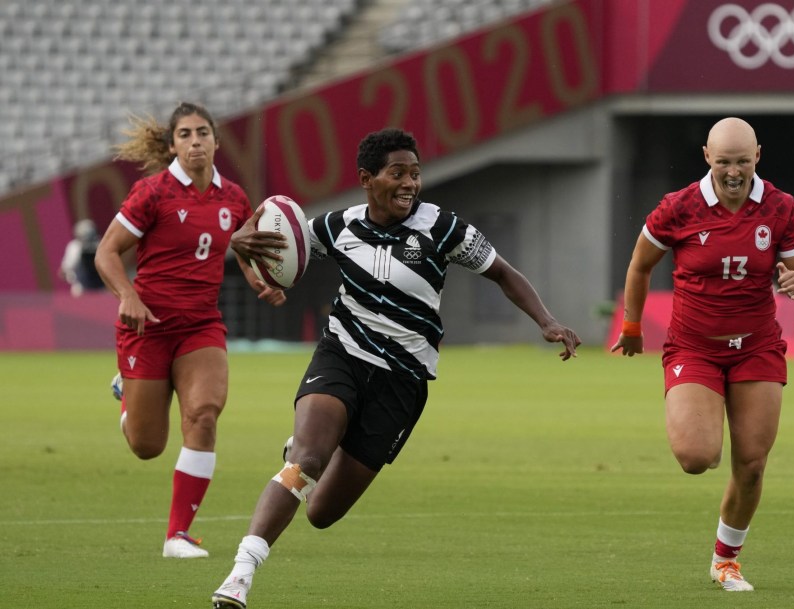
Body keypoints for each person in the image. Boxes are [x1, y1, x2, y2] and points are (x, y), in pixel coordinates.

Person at [211, 127, 580, 609]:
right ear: (367, 179)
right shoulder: (337, 226)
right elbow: (265, 244)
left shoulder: (444, 228)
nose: (410, 183)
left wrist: (547, 321)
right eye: (397, 173)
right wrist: (242, 243)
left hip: (402, 384)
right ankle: (240, 574)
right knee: (306, 461)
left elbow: (504, 273)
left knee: (321, 513)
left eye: (416, 173)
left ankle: (314, 446)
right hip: (341, 356)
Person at [610, 117, 794, 592]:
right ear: (707, 158)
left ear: (757, 156)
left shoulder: (780, 207)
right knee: (696, 457)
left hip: (757, 346)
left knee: (753, 463)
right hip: (695, 348)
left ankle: (726, 560)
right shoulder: (678, 207)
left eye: (742, 161)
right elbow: (640, 266)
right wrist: (632, 326)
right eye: (724, 162)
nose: (734, 171)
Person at [94, 102, 286, 559]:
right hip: (149, 326)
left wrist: (262, 279)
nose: (196, 141)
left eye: (203, 132)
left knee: (203, 416)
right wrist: (128, 295)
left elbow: (240, 245)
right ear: (172, 145)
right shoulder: (152, 193)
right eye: (185, 134)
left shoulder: (234, 197)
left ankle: (177, 535)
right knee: (147, 446)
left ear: (217, 141)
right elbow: (106, 254)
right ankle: (129, 396)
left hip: (201, 325)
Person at [58, 218, 105, 296]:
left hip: (88, 289)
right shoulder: (101, 244)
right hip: (89, 287)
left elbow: (65, 269)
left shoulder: (75, 246)